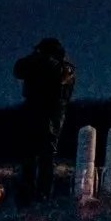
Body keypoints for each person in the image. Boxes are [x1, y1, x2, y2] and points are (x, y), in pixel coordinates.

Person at [12, 38, 76, 205]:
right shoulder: (40, 63)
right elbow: (18, 69)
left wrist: (40, 60)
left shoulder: (63, 66)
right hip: (35, 110)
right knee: (29, 154)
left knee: (45, 155)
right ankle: (28, 193)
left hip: (51, 112)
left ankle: (42, 194)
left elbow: (57, 76)